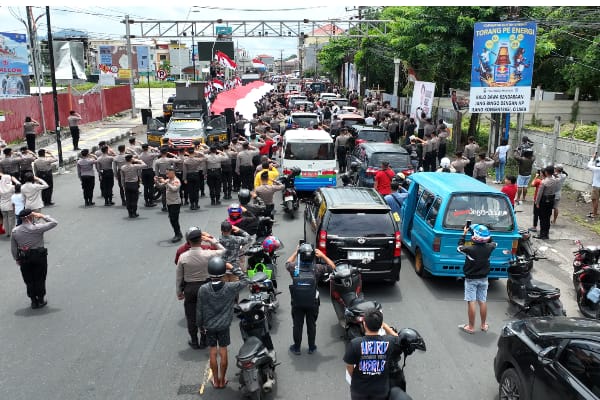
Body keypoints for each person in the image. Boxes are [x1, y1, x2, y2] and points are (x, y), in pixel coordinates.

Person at [197, 256, 254, 389]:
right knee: (223, 351)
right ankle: (223, 380)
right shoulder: (230, 287)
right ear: (223, 272)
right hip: (224, 325)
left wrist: (200, 326)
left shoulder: (203, 289)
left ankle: (215, 381)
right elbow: (246, 280)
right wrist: (232, 268)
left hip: (209, 326)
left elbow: (199, 310)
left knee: (212, 351)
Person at [344, 308, 410, 400]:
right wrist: (385, 326)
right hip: (380, 391)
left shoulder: (355, 344)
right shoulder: (389, 341)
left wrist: (356, 379)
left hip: (359, 390)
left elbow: (349, 367)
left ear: (364, 324)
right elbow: (398, 338)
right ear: (380, 326)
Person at [176, 228, 225, 349]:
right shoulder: (207, 253)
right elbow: (223, 250)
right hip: (205, 287)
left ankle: (194, 341)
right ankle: (204, 340)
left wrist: (179, 292)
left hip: (190, 289)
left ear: (188, 241)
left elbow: (179, 278)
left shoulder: (183, 257)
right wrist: (212, 240)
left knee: (191, 316)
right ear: (200, 240)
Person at [286, 243, 336, 355]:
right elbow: (333, 267)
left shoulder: (294, 267)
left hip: (297, 303)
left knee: (297, 325)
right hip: (312, 302)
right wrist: (322, 255)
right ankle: (312, 347)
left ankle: (297, 348)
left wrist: (296, 252)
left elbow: (287, 263)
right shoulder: (317, 268)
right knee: (311, 325)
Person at [11, 209, 58, 309]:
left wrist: (17, 259)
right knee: (40, 278)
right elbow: (54, 222)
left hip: (24, 257)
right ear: (30, 217)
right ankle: (40, 299)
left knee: (29, 279)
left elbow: (14, 248)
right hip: (39, 256)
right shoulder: (37, 228)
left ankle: (33, 301)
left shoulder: (15, 231)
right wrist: (41, 215)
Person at [457, 224, 496, 334]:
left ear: (474, 237)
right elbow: (492, 241)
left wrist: (464, 234)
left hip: (471, 280)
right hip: (484, 279)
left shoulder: (469, 249)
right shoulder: (490, 247)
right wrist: (486, 232)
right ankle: (483, 325)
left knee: (471, 302)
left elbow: (459, 247)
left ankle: (471, 327)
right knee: (482, 301)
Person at [155, 168, 183, 242]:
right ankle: (177, 233)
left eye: (168, 173)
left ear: (172, 173)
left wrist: (166, 182)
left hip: (175, 203)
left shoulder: (176, 181)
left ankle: (178, 234)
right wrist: (156, 181)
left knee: (174, 219)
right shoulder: (168, 180)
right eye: (166, 173)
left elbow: (174, 189)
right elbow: (160, 186)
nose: (166, 175)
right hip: (169, 203)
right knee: (172, 219)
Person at [534, 166, 558, 240]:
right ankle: (546, 233)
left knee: (542, 218)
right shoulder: (555, 180)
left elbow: (539, 193)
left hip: (544, 200)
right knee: (547, 217)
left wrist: (537, 202)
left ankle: (542, 234)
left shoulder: (544, 182)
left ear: (546, 172)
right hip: (551, 199)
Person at [139, 143, 159, 208]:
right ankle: (151, 201)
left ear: (142, 148)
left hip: (143, 171)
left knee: (145, 187)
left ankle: (146, 201)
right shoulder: (151, 155)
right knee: (151, 187)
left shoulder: (140, 156)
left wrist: (140, 176)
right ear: (147, 148)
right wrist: (153, 149)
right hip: (150, 171)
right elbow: (159, 153)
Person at [586, 152, 600, 219]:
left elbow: (589, 165)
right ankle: (595, 212)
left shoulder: (597, 169)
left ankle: (594, 214)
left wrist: (592, 158)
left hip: (596, 186)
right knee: (596, 199)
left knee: (594, 199)